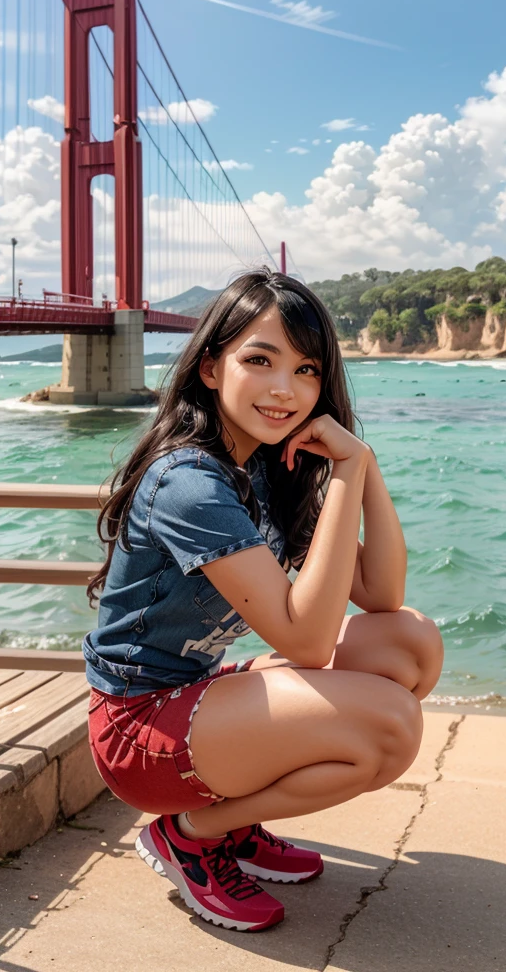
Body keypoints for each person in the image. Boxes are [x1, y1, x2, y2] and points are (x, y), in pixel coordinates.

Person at [85, 268, 443, 932]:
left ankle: (233, 821)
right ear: (212, 368)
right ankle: (192, 834)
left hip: (197, 696)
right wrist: (344, 475)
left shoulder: (261, 464)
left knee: (410, 642)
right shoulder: (189, 482)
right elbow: (308, 640)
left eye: (306, 370)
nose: (286, 389)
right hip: (139, 732)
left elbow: (382, 595)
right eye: (259, 359)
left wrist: (361, 464)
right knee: (387, 728)